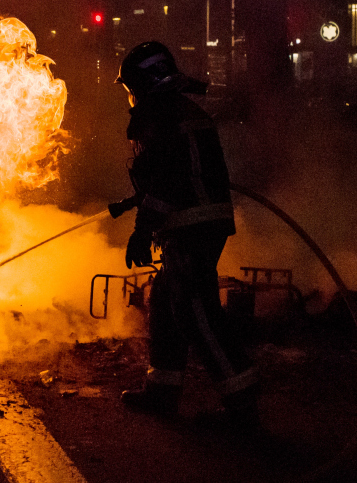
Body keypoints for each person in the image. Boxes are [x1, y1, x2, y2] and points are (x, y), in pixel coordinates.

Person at [108, 41, 260, 428]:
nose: (131, 95)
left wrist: (142, 230)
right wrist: (139, 204)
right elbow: (174, 173)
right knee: (166, 302)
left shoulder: (163, 116)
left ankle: (241, 400)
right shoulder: (176, 111)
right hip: (195, 221)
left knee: (196, 312)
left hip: (194, 224)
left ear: (146, 82)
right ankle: (163, 390)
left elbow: (170, 180)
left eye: (132, 86)